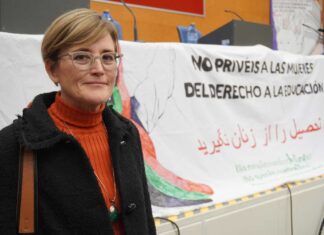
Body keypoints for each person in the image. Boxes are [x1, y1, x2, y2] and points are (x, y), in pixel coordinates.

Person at [0, 8, 156, 235]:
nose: (99, 69)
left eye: (108, 57)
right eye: (82, 57)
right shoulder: (12, 146)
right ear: (52, 69)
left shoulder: (128, 134)